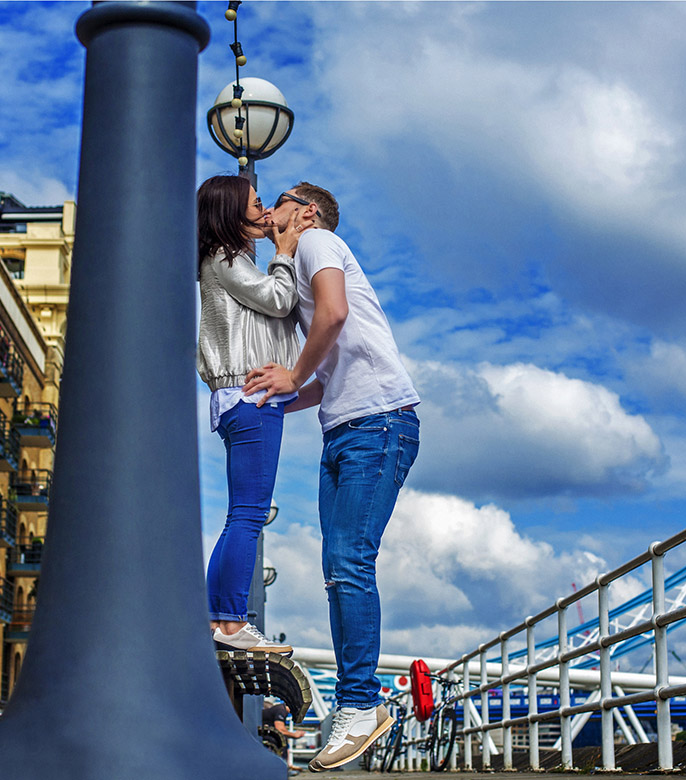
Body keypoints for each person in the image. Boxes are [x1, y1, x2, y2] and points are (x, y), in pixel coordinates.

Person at [244, 182, 420, 771]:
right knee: (338, 568)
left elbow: (335, 314)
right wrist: (272, 398)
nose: (272, 207)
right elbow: (321, 374)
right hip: (346, 425)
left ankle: (360, 704)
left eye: (282, 198)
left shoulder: (318, 240)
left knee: (348, 562)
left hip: (379, 422)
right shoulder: (297, 260)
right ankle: (357, 703)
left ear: (308, 210)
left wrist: (290, 375)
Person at [197, 174, 309, 654]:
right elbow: (280, 299)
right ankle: (231, 623)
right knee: (248, 514)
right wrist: (286, 250)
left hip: (236, 399)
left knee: (239, 514)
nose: (266, 213)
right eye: (258, 204)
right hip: (252, 397)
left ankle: (220, 619)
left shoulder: (224, 261)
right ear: (231, 214)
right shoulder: (227, 259)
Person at [262, 698, 305, 774]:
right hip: (265, 733)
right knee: (282, 742)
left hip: (266, 731)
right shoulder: (281, 710)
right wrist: (294, 735)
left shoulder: (280, 708)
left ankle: (285, 767)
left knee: (283, 740)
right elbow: (280, 729)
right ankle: (282, 769)